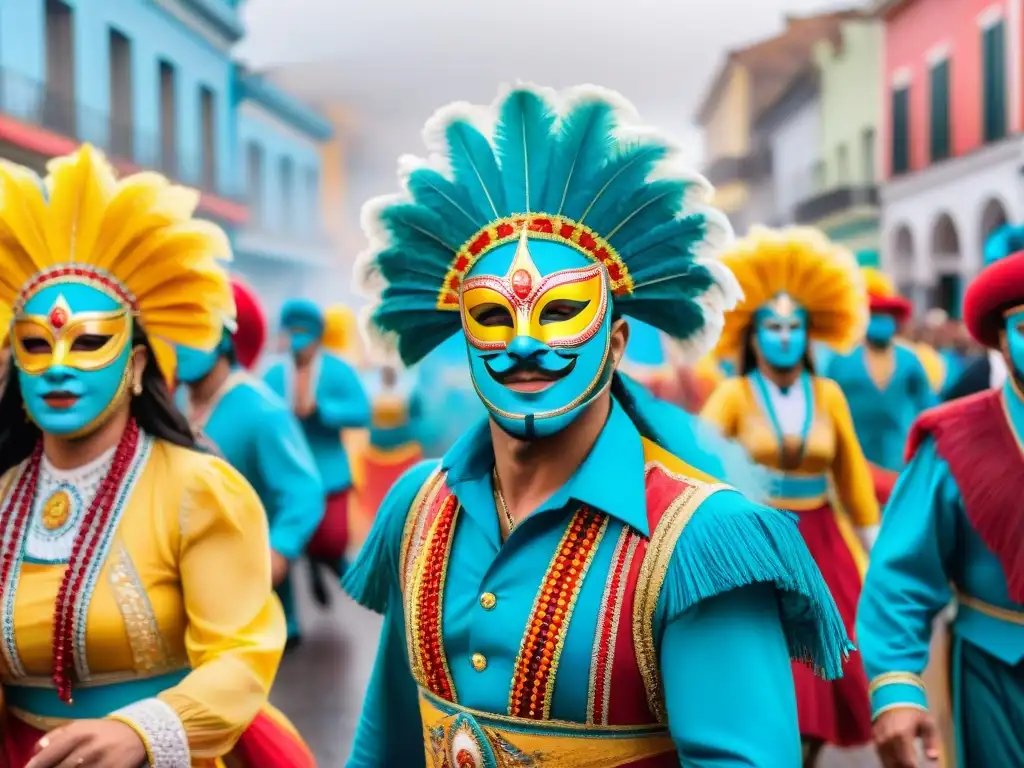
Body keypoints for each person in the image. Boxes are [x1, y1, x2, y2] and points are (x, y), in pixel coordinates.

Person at [342, 83, 850, 767]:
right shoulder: (418, 507)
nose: (523, 343)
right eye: (493, 317)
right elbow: (388, 741)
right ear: (463, 337)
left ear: (615, 341)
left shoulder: (702, 544)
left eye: (559, 313)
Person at [0, 146, 313, 767]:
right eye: (36, 345)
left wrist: (144, 731)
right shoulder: (6, 493)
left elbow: (241, 655)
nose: (59, 365)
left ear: (137, 364)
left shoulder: (197, 489)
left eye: (89, 342)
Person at [700, 226, 879, 766]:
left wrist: (874, 548)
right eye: (771, 326)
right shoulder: (732, 395)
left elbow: (851, 476)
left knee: (832, 669)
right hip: (757, 545)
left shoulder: (829, 394)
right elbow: (698, 465)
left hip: (824, 544)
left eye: (794, 326)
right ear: (751, 336)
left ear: (809, 334)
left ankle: (809, 756)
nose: (782, 336)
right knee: (766, 668)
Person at [857, 249, 1024, 767]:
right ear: (1000, 339)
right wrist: (897, 688)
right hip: (997, 673)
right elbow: (900, 576)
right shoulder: (953, 438)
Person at [175, 276, 325, 650]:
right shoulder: (176, 406)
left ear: (226, 336)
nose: (180, 343)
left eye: (195, 328)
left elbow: (303, 491)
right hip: (192, 609)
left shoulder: (262, 410)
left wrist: (277, 554)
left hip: (258, 618)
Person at [264, 299, 371, 574]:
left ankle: (329, 563)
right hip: (288, 469)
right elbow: (259, 411)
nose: (298, 343)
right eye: (292, 332)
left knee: (334, 539)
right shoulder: (274, 374)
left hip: (329, 470)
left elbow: (361, 410)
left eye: (304, 333)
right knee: (290, 532)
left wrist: (323, 410)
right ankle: (309, 568)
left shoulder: (337, 370)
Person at [825, 268, 935, 504]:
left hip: (900, 461)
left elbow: (929, 408)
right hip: (854, 461)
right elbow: (824, 409)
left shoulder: (910, 359)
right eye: (874, 316)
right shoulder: (841, 360)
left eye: (886, 316)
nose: (881, 322)